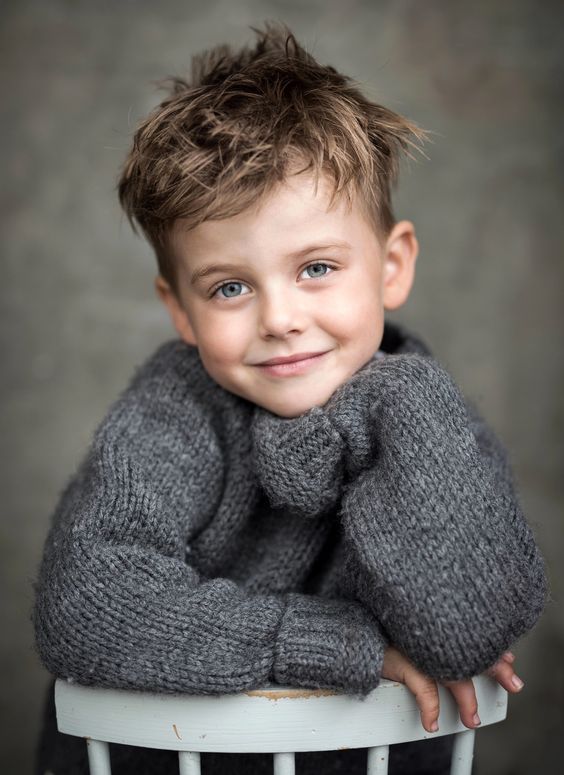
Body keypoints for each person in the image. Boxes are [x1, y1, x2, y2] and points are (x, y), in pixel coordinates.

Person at [32, 21, 547, 775]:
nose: (279, 318)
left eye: (316, 268)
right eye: (230, 287)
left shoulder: (426, 418)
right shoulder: (174, 413)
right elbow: (84, 602)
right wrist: (330, 642)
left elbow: (466, 633)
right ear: (179, 309)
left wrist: (394, 396)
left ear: (391, 265)